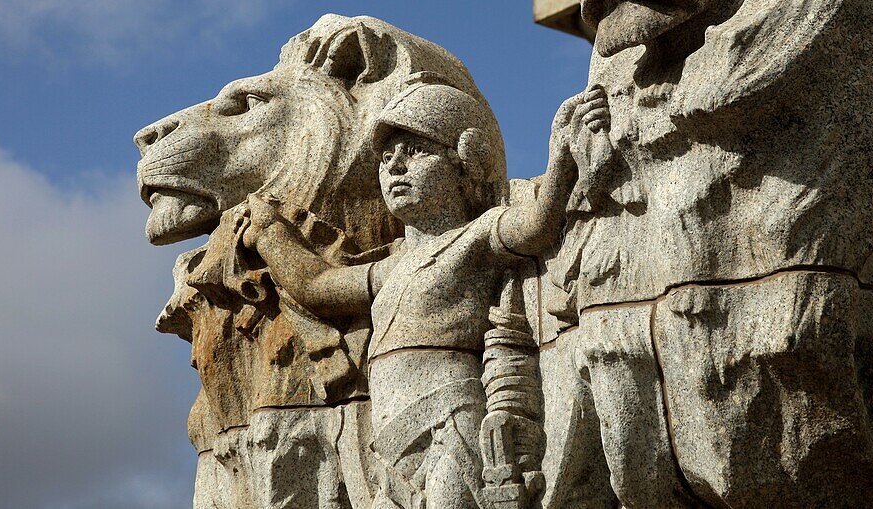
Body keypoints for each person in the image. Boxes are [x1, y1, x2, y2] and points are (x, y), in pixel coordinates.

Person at [242, 81, 609, 509]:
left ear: (465, 161)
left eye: (414, 151)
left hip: (450, 428)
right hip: (388, 446)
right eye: (385, 158)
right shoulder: (393, 265)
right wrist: (270, 233)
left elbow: (536, 226)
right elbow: (317, 287)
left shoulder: (476, 235)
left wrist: (561, 156)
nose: (394, 167)